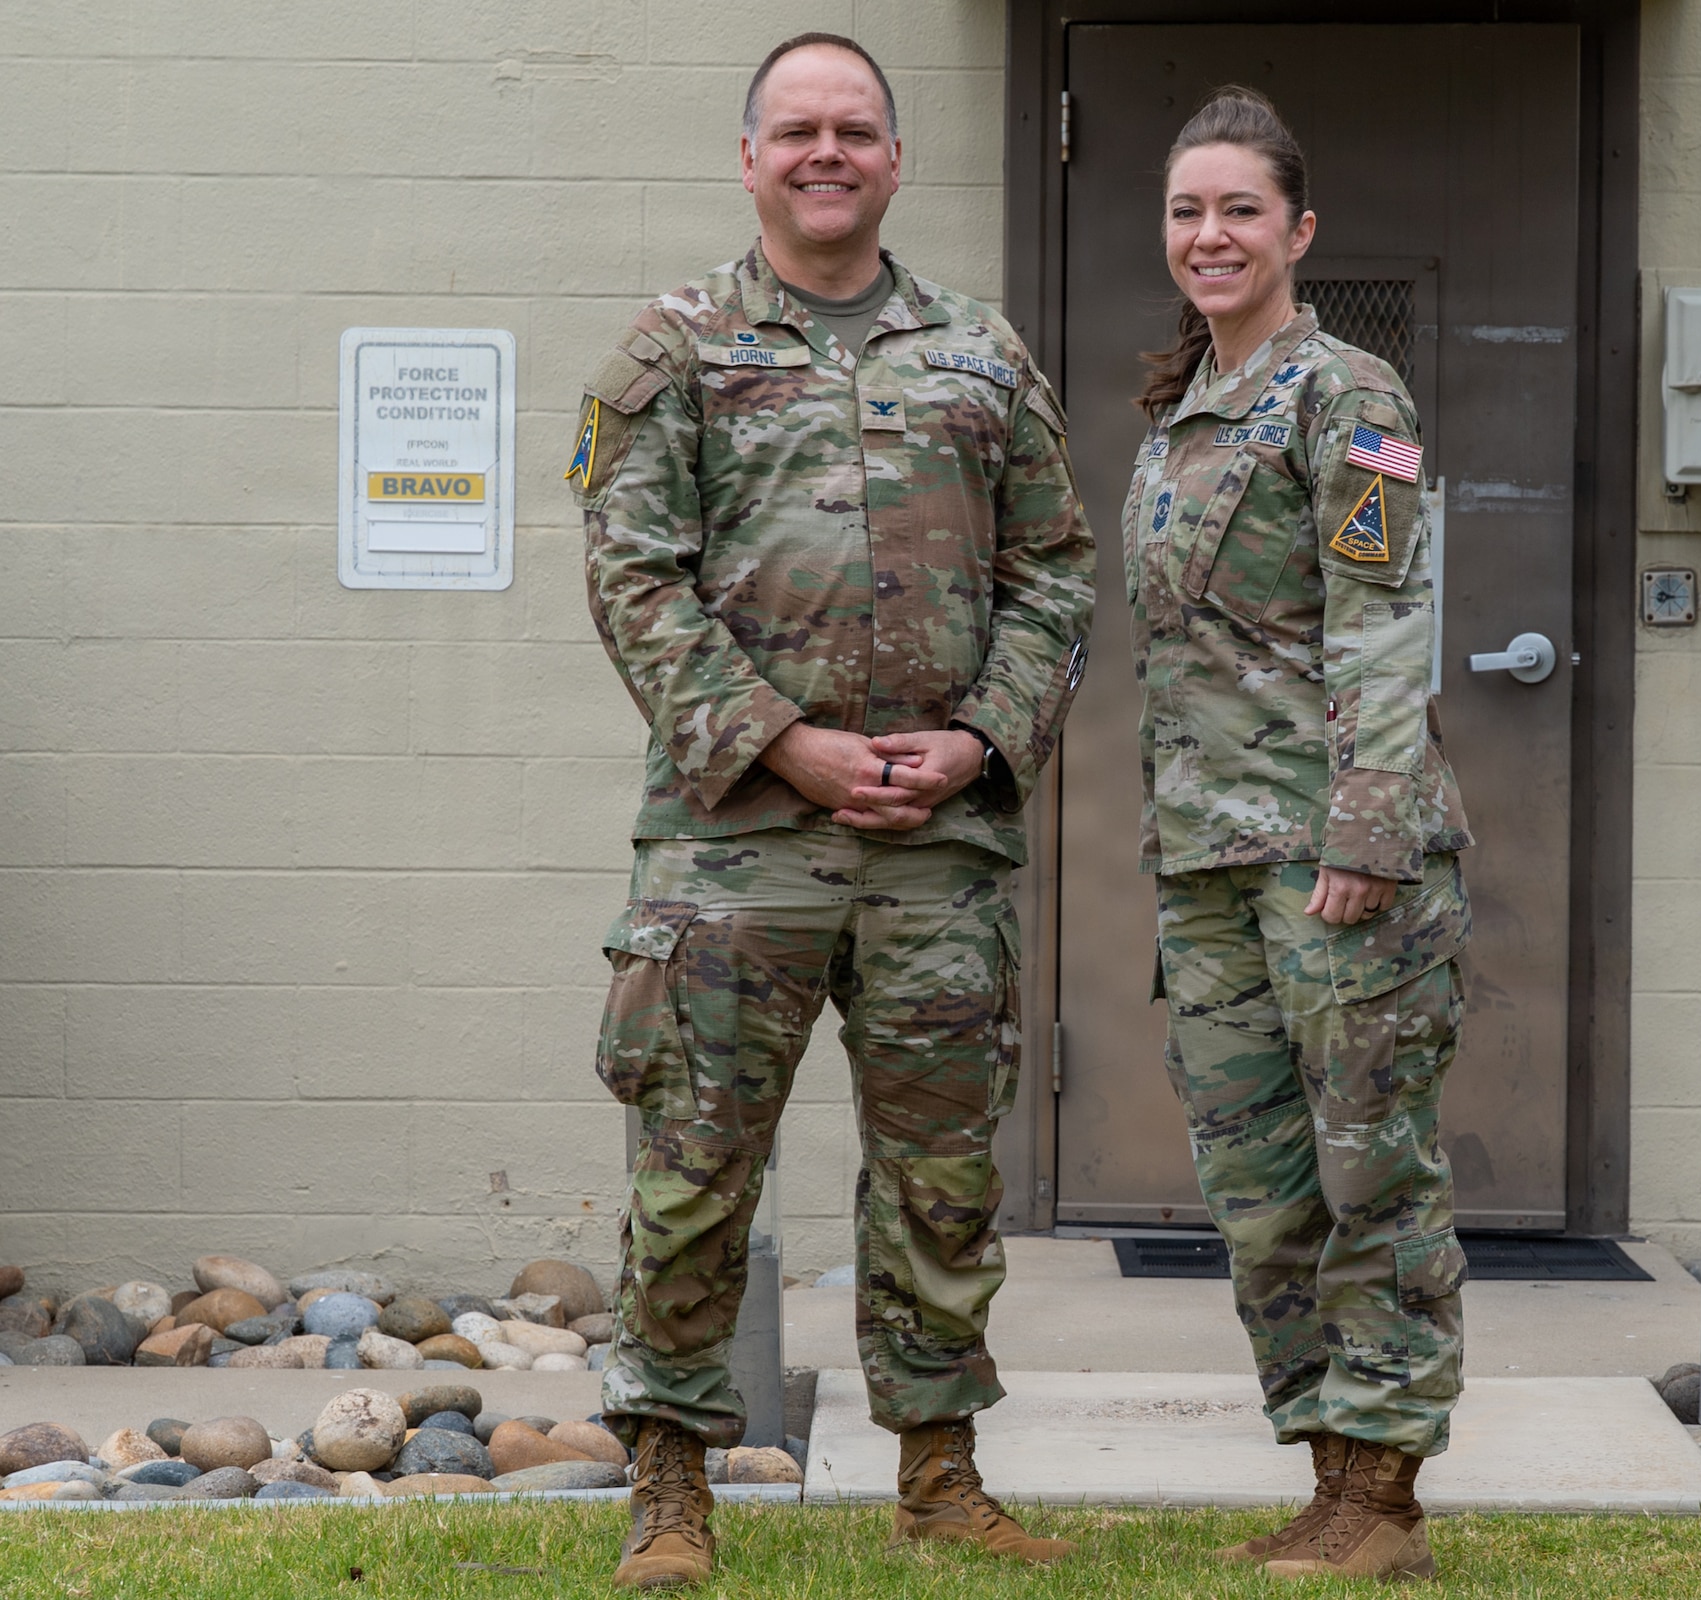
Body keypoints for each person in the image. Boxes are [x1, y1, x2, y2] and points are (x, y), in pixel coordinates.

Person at [567, 31, 1094, 1590]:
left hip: (937, 849)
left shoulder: (984, 355)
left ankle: (938, 1476)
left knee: (942, 1177)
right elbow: (632, 577)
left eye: (854, 129)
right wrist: (778, 740)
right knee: (694, 1166)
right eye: (796, 129)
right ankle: (670, 1489)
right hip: (735, 843)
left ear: (893, 158)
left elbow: (1055, 571)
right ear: (750, 158)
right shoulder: (673, 352)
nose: (826, 151)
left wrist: (983, 738)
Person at [1123, 88, 1474, 1582]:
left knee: (1367, 1175)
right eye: (1189, 210)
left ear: (1298, 230)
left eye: (1240, 210)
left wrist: (1367, 834)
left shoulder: (1351, 396)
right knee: (1259, 1190)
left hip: (1333, 867)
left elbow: (1386, 625)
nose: (1211, 234)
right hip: (1208, 862)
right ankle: (1330, 1476)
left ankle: (1386, 1497)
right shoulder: (1182, 407)